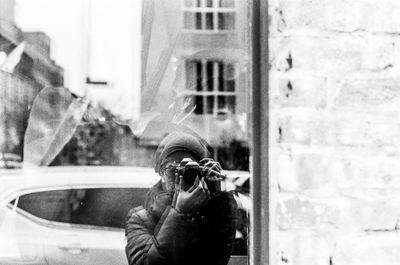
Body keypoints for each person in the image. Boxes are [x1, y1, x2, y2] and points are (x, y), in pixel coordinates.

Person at [125, 131, 238, 265]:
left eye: (191, 170)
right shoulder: (140, 218)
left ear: (201, 172)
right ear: (161, 171)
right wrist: (179, 212)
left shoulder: (209, 211)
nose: (183, 176)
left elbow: (219, 257)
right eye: (174, 169)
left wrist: (219, 198)